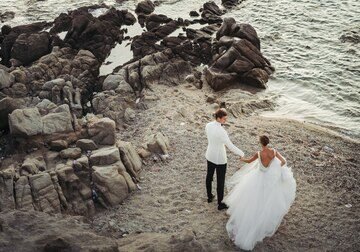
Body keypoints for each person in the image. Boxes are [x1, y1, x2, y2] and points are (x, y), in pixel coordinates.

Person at [223, 135, 296, 250]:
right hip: (270, 178)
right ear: (268, 142)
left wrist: (242, 159)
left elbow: (249, 161)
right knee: (268, 197)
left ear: (261, 143)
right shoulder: (274, 151)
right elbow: (283, 161)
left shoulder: (259, 153)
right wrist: (275, 168)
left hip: (260, 177)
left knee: (254, 197)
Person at [205, 108, 245, 210]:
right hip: (220, 159)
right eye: (224, 119)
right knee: (220, 181)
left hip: (210, 155)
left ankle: (209, 196)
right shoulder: (222, 131)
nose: (225, 121)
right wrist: (241, 153)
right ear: (218, 118)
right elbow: (230, 146)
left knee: (209, 176)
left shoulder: (208, 125)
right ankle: (220, 204)